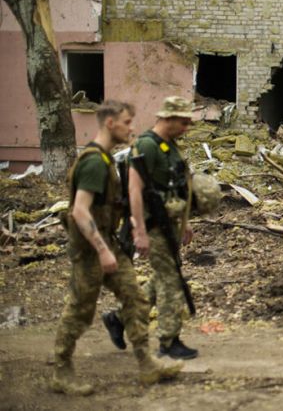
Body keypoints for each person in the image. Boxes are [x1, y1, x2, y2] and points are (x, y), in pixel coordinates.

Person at [52, 101, 182, 396]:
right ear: (110, 123)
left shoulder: (107, 159)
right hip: (90, 250)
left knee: (135, 299)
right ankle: (61, 370)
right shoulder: (95, 162)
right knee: (80, 310)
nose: (132, 128)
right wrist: (102, 250)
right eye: (126, 122)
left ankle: (147, 364)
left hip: (109, 243)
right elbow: (80, 212)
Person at [102, 96, 198, 360]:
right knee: (170, 280)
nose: (186, 127)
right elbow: (134, 190)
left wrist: (185, 222)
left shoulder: (170, 146)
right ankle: (168, 341)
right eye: (183, 122)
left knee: (162, 278)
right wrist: (139, 231)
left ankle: (119, 319)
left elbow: (177, 187)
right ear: (167, 118)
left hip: (170, 223)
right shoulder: (146, 145)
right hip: (152, 225)